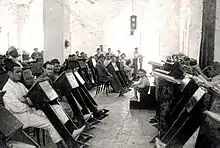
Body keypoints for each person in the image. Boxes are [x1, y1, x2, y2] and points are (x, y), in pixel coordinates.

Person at [2, 59, 66, 148]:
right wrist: (28, 103)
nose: (20, 74)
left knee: (52, 115)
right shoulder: (7, 89)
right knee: (49, 123)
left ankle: (67, 136)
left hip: (28, 111)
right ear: (9, 73)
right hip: (19, 117)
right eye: (17, 72)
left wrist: (27, 101)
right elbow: (17, 108)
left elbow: (29, 97)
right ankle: (60, 145)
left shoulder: (20, 84)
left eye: (20, 72)